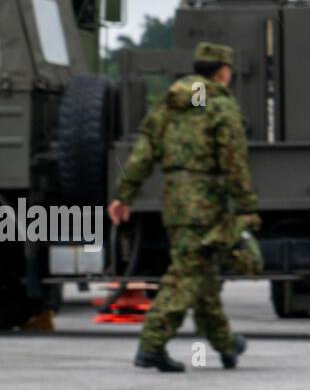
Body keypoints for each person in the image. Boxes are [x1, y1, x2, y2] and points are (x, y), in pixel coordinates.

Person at [108, 41, 261, 372]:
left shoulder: (172, 104)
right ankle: (151, 345)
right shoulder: (219, 107)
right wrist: (247, 205)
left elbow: (144, 152)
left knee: (200, 272)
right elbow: (234, 161)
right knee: (187, 275)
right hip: (206, 202)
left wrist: (125, 194)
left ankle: (226, 343)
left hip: (176, 202)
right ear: (223, 72)